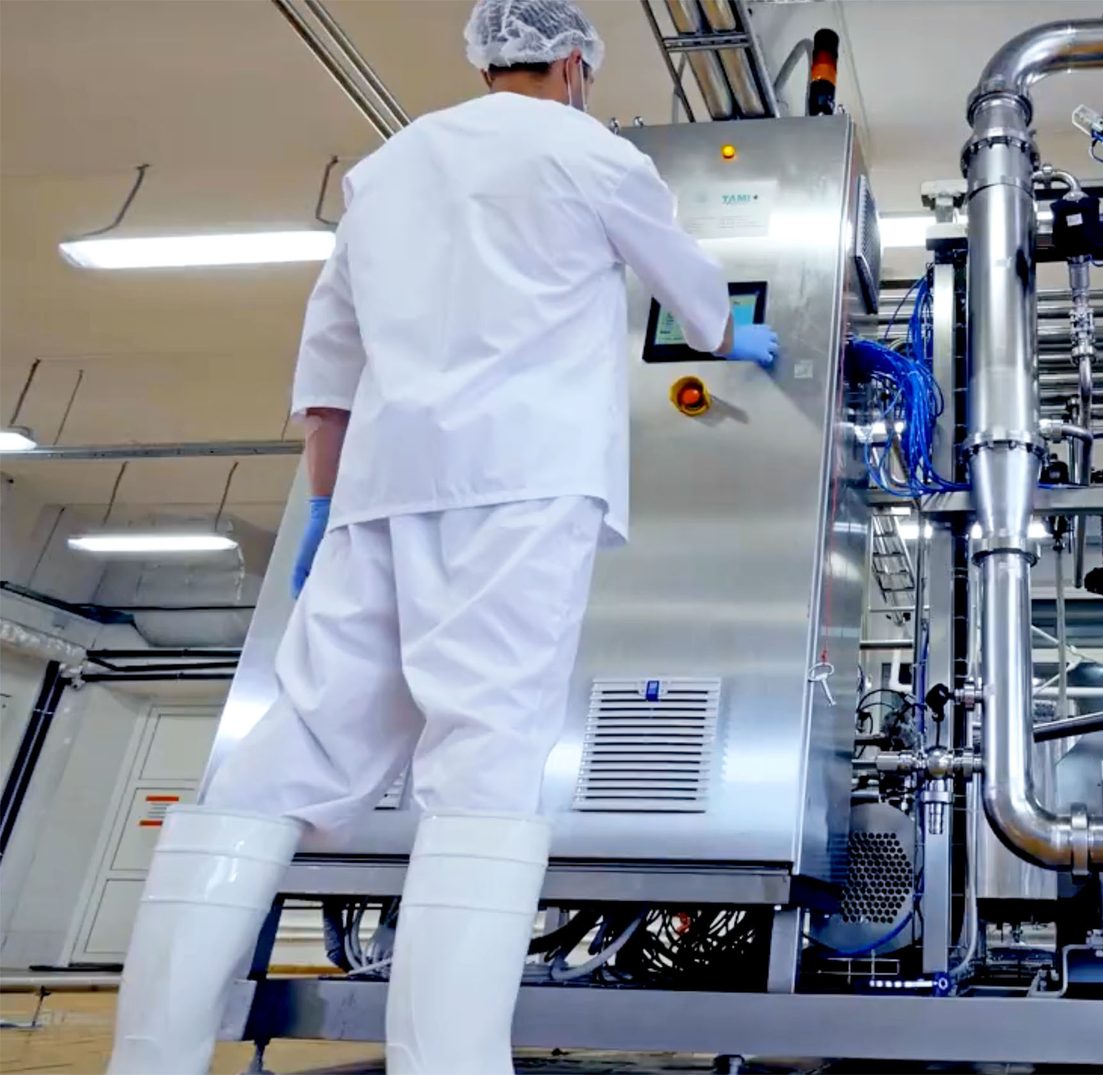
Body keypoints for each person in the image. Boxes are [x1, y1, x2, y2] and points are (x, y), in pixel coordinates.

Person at [106, 2, 777, 1071]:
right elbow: (690, 290)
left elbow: (329, 365)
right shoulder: (590, 152)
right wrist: (731, 333)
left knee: (287, 755)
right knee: (484, 760)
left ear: (487, 61)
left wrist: (323, 507)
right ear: (573, 63)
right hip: (523, 485)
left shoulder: (387, 170)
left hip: (379, 490)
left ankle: (150, 1058)